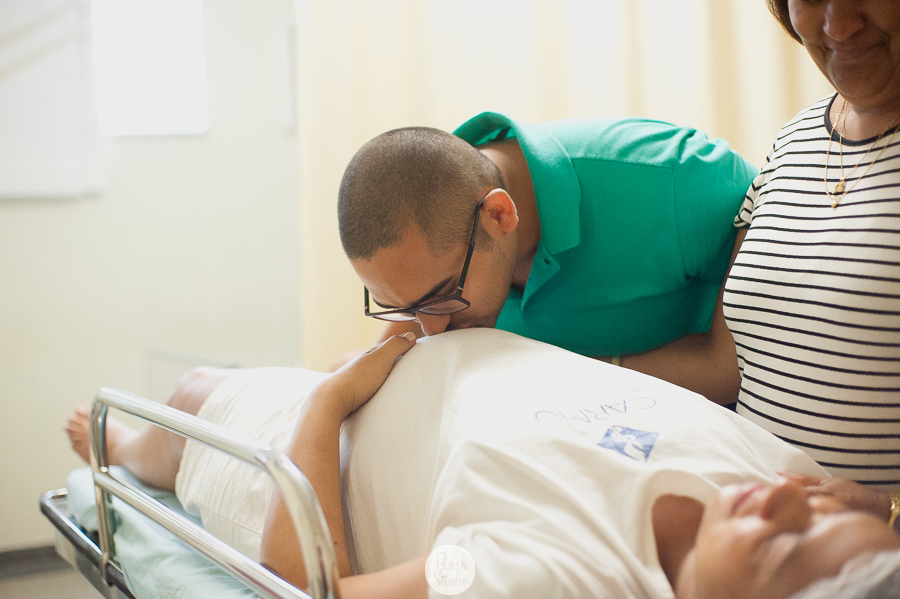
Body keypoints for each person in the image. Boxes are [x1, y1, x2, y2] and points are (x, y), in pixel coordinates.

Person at [66, 329, 900, 599]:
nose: (793, 501)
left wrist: (326, 407)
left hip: (328, 429)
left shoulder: (543, 576)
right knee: (201, 385)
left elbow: (318, 587)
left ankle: (120, 446)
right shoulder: (780, 470)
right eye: (832, 512)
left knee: (187, 399)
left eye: (787, 551)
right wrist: (865, 508)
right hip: (402, 384)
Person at [336, 114, 758, 403]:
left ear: (499, 214)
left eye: (445, 295)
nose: (432, 330)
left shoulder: (676, 180)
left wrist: (570, 378)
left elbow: (734, 369)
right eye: (404, 308)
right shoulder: (429, 244)